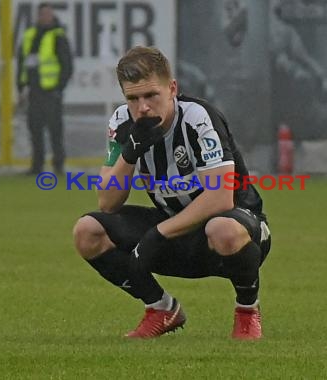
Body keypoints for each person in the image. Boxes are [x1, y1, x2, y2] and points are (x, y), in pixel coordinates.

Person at [72, 46, 271, 340]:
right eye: (132, 98)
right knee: (87, 231)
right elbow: (107, 202)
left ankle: (247, 311)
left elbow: (220, 198)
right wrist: (131, 152)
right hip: (175, 228)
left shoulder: (199, 118)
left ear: (172, 89)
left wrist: (157, 234)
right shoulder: (122, 123)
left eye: (151, 95)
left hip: (235, 230)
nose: (142, 108)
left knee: (223, 228)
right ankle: (161, 309)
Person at [16, 2, 73, 175]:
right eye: (42, 14)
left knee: (55, 130)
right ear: (38, 16)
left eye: (48, 14)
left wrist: (59, 88)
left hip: (51, 92)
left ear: (52, 15)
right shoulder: (30, 35)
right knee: (35, 129)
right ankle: (37, 166)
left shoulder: (58, 36)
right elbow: (22, 63)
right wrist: (20, 87)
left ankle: (58, 165)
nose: (45, 17)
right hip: (33, 91)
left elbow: (67, 65)